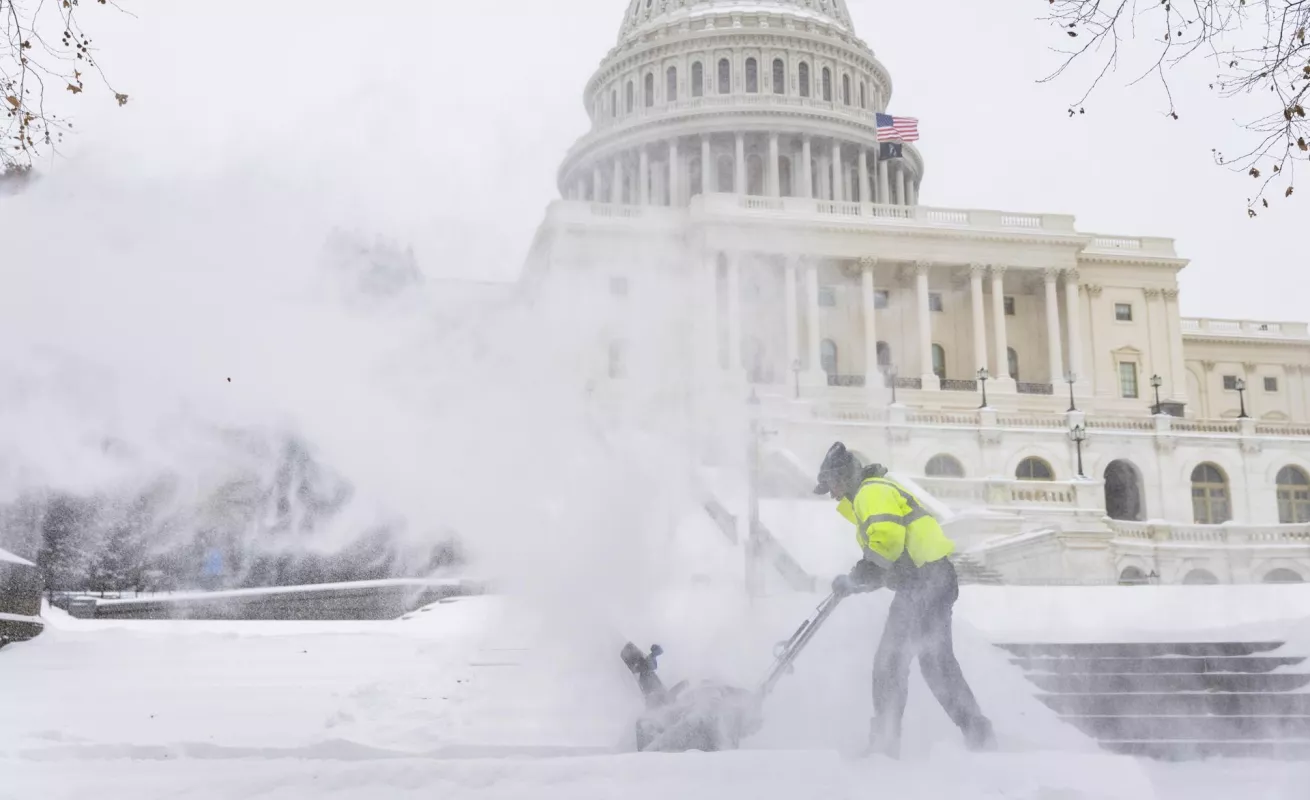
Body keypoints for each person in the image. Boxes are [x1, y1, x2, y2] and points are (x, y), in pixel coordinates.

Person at [813, 441, 995, 757]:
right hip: (929, 580)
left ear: (845, 475)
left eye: (832, 484)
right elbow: (887, 559)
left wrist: (858, 577)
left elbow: (887, 542)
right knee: (936, 664)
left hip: (925, 581)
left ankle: (885, 743)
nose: (832, 494)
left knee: (890, 662)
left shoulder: (871, 492)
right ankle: (978, 734)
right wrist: (859, 579)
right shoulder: (872, 492)